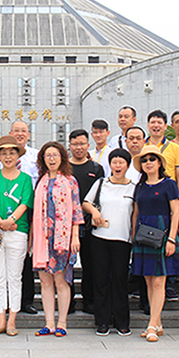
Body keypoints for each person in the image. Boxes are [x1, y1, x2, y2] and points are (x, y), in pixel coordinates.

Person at [0, 136, 33, 337]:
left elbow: (25, 203)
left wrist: (10, 220)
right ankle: (0, 319)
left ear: (18, 155)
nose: (8, 156)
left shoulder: (25, 179)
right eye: (4, 152)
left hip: (17, 231)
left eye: (12, 152)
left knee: (15, 277)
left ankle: (12, 320)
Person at [131, 144, 179, 342]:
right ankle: (158, 322)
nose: (148, 163)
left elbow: (175, 212)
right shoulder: (140, 186)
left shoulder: (169, 184)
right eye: (144, 160)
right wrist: (133, 235)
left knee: (159, 280)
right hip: (143, 234)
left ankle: (152, 324)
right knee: (148, 280)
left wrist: (171, 238)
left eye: (152, 159)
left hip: (163, 233)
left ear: (160, 162)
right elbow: (135, 212)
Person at [32, 141, 84, 338]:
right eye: (48, 155)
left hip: (62, 239)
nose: (51, 159)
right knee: (45, 282)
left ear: (62, 157)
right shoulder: (40, 181)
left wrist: (75, 236)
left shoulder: (70, 181)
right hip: (42, 239)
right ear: (43, 159)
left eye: (55, 155)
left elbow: (76, 210)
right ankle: (49, 323)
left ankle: (62, 322)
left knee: (61, 281)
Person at [82, 148, 135, 337]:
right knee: (101, 280)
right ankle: (102, 321)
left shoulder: (133, 187)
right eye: (114, 162)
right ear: (110, 165)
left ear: (127, 165)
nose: (118, 166)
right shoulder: (101, 183)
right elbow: (86, 203)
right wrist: (95, 212)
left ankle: (121, 322)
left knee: (120, 281)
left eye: (121, 162)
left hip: (123, 240)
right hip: (99, 239)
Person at [0, 120, 41, 315]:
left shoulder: (35, 156)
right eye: (16, 131)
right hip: (2, 212)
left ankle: (25, 301)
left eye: (23, 131)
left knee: (24, 258)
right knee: (3, 262)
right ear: (11, 133)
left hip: (27, 209)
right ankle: (5, 304)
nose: (20, 134)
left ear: (28, 134)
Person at [68, 129, 104, 315]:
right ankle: (69, 302)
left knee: (91, 264)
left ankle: (90, 301)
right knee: (68, 265)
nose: (79, 147)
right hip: (67, 224)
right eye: (75, 144)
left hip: (90, 223)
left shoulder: (96, 169)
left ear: (88, 145)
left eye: (82, 144)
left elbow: (101, 195)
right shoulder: (64, 168)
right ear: (70, 146)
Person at [145, 110, 179, 191]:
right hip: (147, 192)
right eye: (153, 122)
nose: (156, 125)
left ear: (165, 126)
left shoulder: (175, 148)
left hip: (169, 193)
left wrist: (178, 199)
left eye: (159, 123)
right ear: (148, 125)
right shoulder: (142, 148)